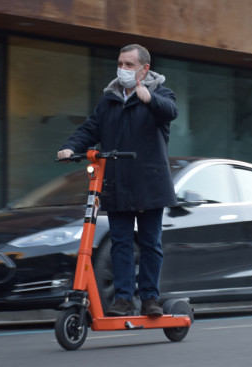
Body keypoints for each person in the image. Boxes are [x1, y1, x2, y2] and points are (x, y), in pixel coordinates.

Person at [57, 44, 178, 317]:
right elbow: (90, 128)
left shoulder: (160, 93)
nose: (122, 69)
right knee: (120, 244)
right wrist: (70, 147)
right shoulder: (109, 99)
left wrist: (150, 99)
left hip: (149, 182)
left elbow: (171, 111)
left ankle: (149, 299)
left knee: (150, 243)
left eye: (129, 65)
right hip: (117, 182)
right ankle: (123, 299)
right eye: (120, 64)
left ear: (144, 69)